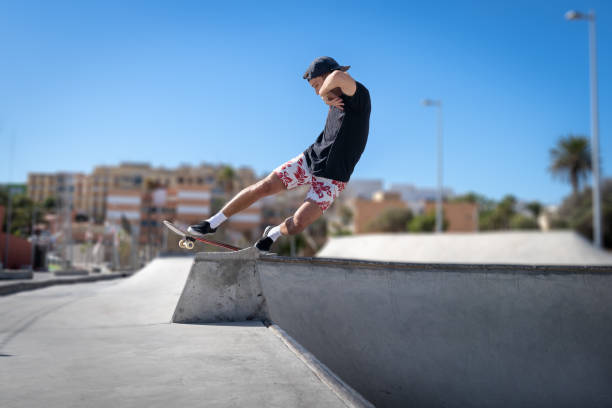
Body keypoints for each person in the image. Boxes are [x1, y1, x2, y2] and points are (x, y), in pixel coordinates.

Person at [188, 56, 371, 251]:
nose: (318, 92)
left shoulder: (357, 95)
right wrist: (325, 93)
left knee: (299, 223)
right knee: (265, 186)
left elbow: (337, 76)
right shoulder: (335, 99)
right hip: (310, 160)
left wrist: (324, 93)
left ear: (326, 75)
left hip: (333, 179)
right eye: (315, 88)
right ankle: (212, 223)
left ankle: (273, 233)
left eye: (317, 85)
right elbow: (333, 79)